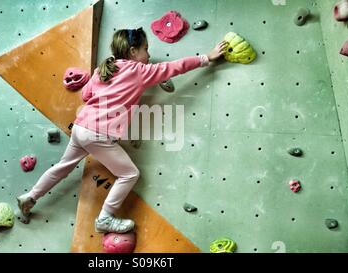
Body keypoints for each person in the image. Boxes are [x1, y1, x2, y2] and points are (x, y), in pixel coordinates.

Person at [17, 27, 227, 233]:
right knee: (129, 174)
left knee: (63, 167)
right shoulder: (139, 71)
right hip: (98, 134)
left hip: (81, 128)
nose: (149, 53)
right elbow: (174, 67)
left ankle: (31, 196)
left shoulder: (103, 69)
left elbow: (85, 96)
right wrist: (206, 58)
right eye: (146, 48)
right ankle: (105, 219)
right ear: (133, 51)